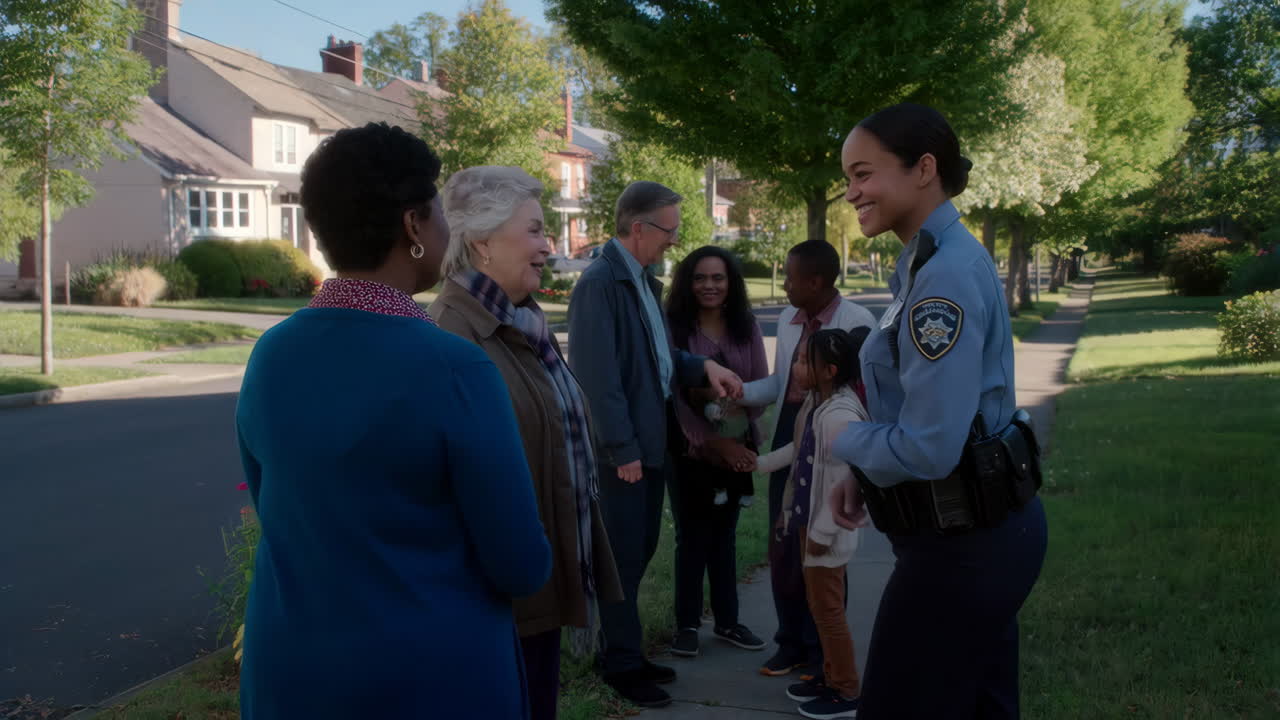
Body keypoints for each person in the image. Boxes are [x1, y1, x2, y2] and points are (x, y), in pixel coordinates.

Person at [235, 124, 552, 720]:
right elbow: (519, 562)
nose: (444, 230)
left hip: (292, 677)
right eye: (437, 213)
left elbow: (274, 502)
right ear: (412, 225)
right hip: (427, 680)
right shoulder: (453, 365)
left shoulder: (270, 354)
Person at [828, 103, 1049, 719]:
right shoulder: (929, 260)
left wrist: (845, 440)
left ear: (924, 168)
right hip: (976, 537)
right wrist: (865, 474)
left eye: (863, 174)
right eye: (849, 178)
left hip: (963, 552)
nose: (851, 192)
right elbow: (930, 413)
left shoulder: (943, 276)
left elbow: (929, 447)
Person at [429, 166, 623, 720]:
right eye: (536, 231)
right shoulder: (451, 335)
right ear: (484, 242)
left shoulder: (523, 324)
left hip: (537, 592)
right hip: (495, 606)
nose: (548, 247)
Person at [568, 181, 744, 708]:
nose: (675, 240)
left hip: (650, 443)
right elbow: (598, 380)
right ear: (639, 228)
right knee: (622, 558)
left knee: (639, 551)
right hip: (624, 453)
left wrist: (705, 364)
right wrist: (621, 451)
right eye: (669, 230)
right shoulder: (601, 284)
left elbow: (662, 358)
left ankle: (625, 650)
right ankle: (619, 664)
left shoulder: (640, 280)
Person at [738, 240, 875, 677]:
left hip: (832, 435)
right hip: (793, 427)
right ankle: (790, 641)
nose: (784, 282)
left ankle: (823, 653)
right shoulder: (787, 319)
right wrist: (738, 393)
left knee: (824, 548)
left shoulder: (857, 322)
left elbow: (860, 390)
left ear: (815, 282)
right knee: (785, 543)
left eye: (791, 275)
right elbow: (783, 383)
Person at [755, 328, 871, 720]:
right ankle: (829, 674)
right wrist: (757, 464)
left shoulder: (838, 416)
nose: (796, 366)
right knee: (818, 606)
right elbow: (801, 449)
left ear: (829, 370)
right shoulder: (817, 405)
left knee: (828, 611)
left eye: (805, 361)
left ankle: (846, 690)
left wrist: (821, 536)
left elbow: (841, 482)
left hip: (826, 532)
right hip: (809, 523)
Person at [664, 245, 769, 659]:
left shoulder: (747, 327)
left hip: (737, 447)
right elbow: (671, 396)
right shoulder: (674, 330)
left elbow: (760, 387)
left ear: (731, 283)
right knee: (692, 538)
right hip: (690, 453)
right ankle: (686, 625)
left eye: (718, 278)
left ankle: (728, 622)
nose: (709, 285)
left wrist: (735, 428)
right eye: (700, 277)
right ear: (688, 283)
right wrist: (712, 442)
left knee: (724, 538)